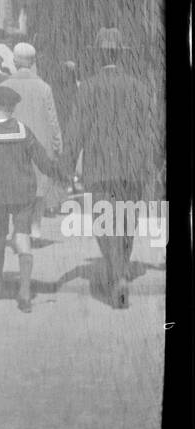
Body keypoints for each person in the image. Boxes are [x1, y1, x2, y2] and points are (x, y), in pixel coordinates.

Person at [63, 28, 158, 309]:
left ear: (98, 55)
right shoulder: (139, 87)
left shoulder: (88, 88)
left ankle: (116, 274)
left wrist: (66, 167)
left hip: (100, 168)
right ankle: (122, 269)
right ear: (120, 54)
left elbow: (75, 131)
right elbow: (152, 131)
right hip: (132, 168)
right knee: (127, 221)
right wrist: (152, 165)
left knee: (104, 223)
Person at [0, 85, 66, 314]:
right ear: (12, 108)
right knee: (22, 236)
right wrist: (62, 175)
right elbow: (43, 161)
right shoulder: (23, 130)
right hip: (23, 194)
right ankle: (24, 291)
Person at [7, 42, 63, 242]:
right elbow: (53, 121)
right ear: (32, 63)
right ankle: (36, 228)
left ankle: (18, 229)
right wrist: (57, 146)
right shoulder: (44, 88)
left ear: (14, 61)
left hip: (11, 145)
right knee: (39, 189)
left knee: (15, 186)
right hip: (40, 146)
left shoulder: (5, 86)